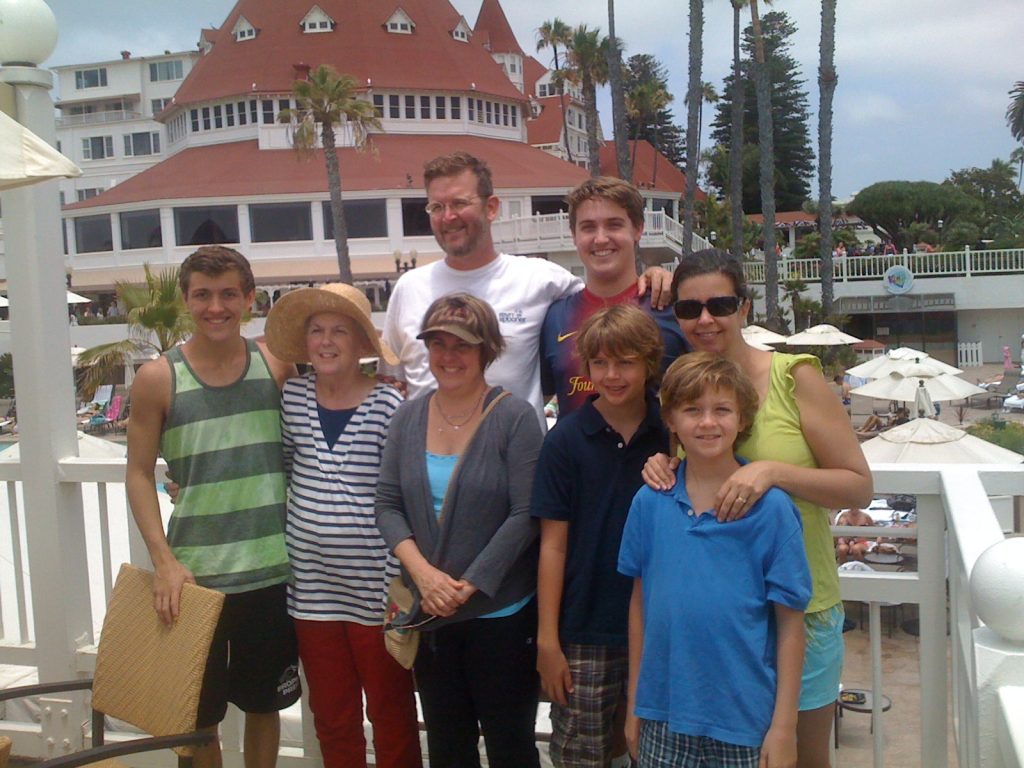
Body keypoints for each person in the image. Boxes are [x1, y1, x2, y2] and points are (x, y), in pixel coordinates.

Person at [642, 249, 873, 768]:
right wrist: (662, 463)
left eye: (719, 304)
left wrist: (772, 471)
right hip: (726, 619)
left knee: (801, 758)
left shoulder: (796, 377)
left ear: (744, 307)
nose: (704, 319)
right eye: (688, 309)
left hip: (801, 606)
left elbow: (858, 487)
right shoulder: (691, 387)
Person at [126, 246, 301, 768]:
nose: (216, 307)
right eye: (203, 295)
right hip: (194, 580)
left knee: (264, 705)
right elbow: (137, 473)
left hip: (273, 572)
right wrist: (163, 561)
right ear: (186, 301)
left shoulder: (276, 366)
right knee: (199, 716)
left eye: (229, 294)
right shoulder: (159, 378)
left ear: (249, 300)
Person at [375, 293, 544, 768]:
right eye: (438, 343)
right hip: (430, 617)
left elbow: (526, 513)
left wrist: (468, 585)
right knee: (449, 748)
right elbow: (387, 504)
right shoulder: (408, 416)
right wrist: (425, 578)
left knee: (511, 745)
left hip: (500, 616)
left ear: (486, 349)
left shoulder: (514, 417)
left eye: (462, 345)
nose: (448, 356)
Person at [381, 151, 671, 425]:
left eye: (459, 203)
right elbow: (392, 381)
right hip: (427, 465)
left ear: (491, 207)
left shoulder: (541, 281)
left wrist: (656, 276)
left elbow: (605, 297)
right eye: (437, 207)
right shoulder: (409, 288)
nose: (448, 217)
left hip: (520, 466)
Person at [621, 352, 811, 767]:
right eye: (692, 410)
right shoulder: (649, 502)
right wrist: (635, 699)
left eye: (722, 409)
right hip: (662, 715)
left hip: (745, 720)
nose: (708, 422)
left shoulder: (773, 511)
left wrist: (784, 726)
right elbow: (639, 606)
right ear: (670, 420)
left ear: (742, 418)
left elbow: (791, 624)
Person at [263, 284, 421, 768]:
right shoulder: (291, 397)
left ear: (360, 346)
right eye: (316, 331)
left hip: (379, 590)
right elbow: (282, 468)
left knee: (392, 711)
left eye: (339, 331)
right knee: (332, 715)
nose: (326, 342)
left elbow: (402, 495)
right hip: (311, 592)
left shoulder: (389, 406)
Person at [532, 305, 670, 768]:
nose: (612, 374)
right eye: (600, 363)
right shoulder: (565, 441)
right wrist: (548, 639)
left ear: (649, 363)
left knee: (652, 746)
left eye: (625, 362)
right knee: (580, 749)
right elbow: (553, 544)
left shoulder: (673, 434)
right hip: (585, 624)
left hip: (660, 622)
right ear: (586, 367)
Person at [540, 177, 688, 418]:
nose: (600, 238)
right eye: (588, 227)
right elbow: (543, 396)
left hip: (657, 454)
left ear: (638, 229)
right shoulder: (555, 316)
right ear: (573, 235)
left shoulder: (668, 306)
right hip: (575, 455)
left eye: (614, 225)